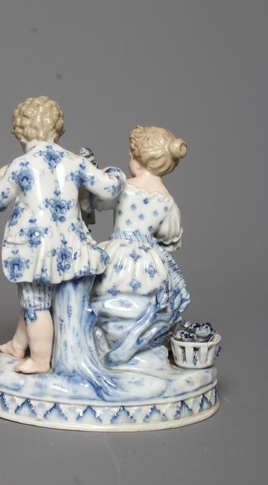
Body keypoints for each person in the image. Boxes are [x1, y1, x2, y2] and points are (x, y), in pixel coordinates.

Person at [0, 96, 125, 374]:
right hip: (69, 244)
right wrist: (117, 174)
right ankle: (17, 344)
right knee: (32, 297)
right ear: (58, 130)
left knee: (35, 302)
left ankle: (40, 360)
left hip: (33, 246)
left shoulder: (20, 165)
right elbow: (109, 189)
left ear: (20, 133)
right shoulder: (75, 161)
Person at [91, 126, 190, 364]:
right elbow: (169, 236)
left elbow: (100, 202)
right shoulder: (167, 200)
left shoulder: (124, 186)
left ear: (138, 160)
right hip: (148, 262)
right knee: (145, 299)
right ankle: (133, 344)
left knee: (102, 291)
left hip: (116, 253)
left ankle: (106, 342)